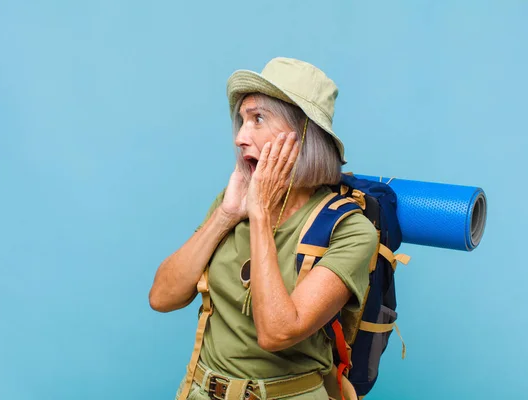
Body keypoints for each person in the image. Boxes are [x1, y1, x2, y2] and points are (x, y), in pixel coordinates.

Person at [149, 57, 379, 400]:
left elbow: (276, 333)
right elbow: (161, 298)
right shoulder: (231, 204)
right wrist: (226, 216)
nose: (240, 138)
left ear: (304, 135)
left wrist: (259, 214)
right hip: (199, 390)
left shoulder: (351, 231)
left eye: (258, 119)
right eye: (241, 121)